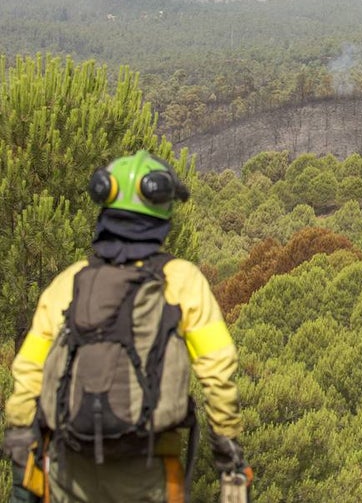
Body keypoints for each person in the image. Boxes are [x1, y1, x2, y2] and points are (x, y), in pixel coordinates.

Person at [2, 150, 249, 503]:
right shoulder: (181, 281)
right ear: (163, 213)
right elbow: (217, 372)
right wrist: (229, 453)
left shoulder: (69, 282)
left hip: (69, 467)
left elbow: (28, 371)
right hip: (147, 466)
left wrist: (18, 437)